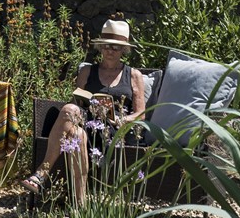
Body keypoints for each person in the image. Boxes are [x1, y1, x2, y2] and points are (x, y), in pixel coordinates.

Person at [20, 18, 146, 203]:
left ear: (124, 50)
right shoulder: (87, 71)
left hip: (114, 130)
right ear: (101, 47)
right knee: (72, 117)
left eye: (116, 47)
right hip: (88, 123)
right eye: (107, 46)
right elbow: (77, 101)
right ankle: (66, 193)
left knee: (77, 135)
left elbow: (141, 113)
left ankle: (46, 179)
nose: (110, 50)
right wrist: (90, 105)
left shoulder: (134, 75)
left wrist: (122, 120)